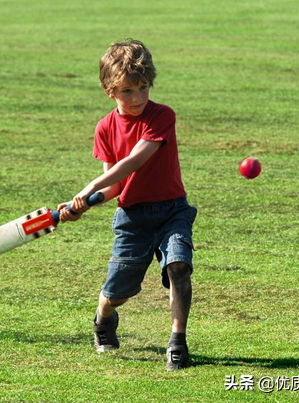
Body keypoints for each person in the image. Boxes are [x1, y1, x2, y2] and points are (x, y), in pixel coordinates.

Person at [57, 39, 197, 371]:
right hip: (132, 218)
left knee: (178, 266)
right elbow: (116, 185)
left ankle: (177, 342)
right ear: (110, 91)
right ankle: (104, 318)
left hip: (172, 210)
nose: (137, 98)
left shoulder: (162, 116)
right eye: (127, 91)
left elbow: (135, 161)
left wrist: (88, 187)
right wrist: (85, 204)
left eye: (143, 88)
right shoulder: (105, 128)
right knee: (118, 291)